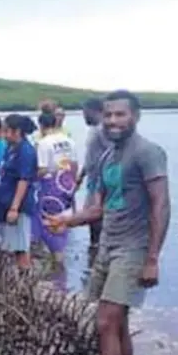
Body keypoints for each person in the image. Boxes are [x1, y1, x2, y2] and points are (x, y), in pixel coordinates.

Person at [44, 90, 171, 355]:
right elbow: (98, 207)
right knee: (118, 323)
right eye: (109, 115)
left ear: (135, 116)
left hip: (134, 248)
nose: (113, 121)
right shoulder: (106, 157)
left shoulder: (148, 152)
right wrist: (67, 220)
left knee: (104, 322)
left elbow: (161, 204)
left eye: (120, 115)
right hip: (108, 245)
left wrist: (153, 258)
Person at [0, 114, 38, 269]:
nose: (3, 134)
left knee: (20, 249)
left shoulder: (26, 151)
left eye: (6, 131)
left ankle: (25, 283)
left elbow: (23, 180)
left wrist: (14, 208)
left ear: (16, 131)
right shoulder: (10, 148)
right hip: (3, 202)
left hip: (18, 206)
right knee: (5, 246)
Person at [35, 110, 78, 265]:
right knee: (61, 226)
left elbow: (43, 169)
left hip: (50, 188)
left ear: (41, 126)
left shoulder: (43, 143)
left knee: (49, 225)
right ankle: (59, 266)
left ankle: (57, 268)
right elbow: (74, 166)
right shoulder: (69, 141)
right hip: (66, 184)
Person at [76, 97, 108, 262]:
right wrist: (80, 177)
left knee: (96, 216)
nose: (84, 116)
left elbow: (112, 155)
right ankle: (95, 249)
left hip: (102, 183)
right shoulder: (94, 130)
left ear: (95, 111)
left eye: (85, 113)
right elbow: (90, 158)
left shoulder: (103, 130)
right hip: (92, 180)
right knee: (91, 217)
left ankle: (97, 253)